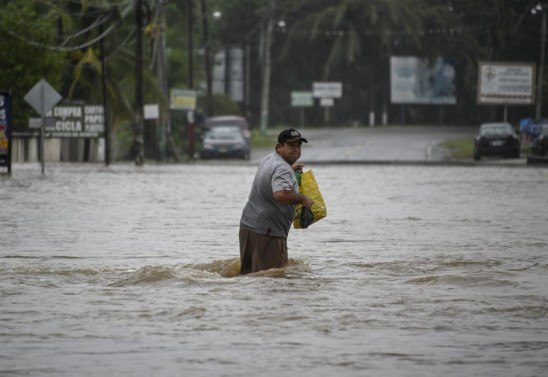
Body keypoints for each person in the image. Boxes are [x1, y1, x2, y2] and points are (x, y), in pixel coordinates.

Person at [239, 128, 314, 275]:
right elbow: (280, 195)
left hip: (248, 227)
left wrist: (290, 169)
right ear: (279, 147)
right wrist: (303, 199)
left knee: (249, 277)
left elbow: (274, 174)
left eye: (299, 146)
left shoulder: (269, 159)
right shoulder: (282, 168)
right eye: (291, 146)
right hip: (267, 233)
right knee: (272, 281)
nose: (296, 150)